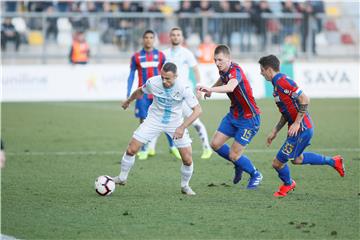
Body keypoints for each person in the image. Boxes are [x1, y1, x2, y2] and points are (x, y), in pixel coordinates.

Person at [258, 54, 345, 197]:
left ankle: (288, 184)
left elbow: (305, 98)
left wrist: (297, 122)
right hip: (298, 128)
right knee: (297, 159)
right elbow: (287, 112)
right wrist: (275, 131)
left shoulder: (282, 82)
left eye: (261, 70)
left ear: (268, 69)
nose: (260, 73)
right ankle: (334, 161)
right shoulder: (276, 85)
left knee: (277, 163)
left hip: (301, 129)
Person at [113, 62, 202, 195]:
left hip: (175, 124)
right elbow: (139, 91)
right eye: (162, 77)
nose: (164, 81)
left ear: (176, 76)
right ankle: (122, 177)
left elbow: (198, 110)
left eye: (168, 78)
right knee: (131, 149)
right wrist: (128, 101)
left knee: (187, 159)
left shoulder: (183, 88)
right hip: (153, 120)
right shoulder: (153, 82)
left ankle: (185, 186)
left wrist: (182, 127)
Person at [197, 45, 263, 189]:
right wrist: (211, 90)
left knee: (234, 154)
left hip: (249, 119)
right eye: (215, 60)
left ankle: (255, 174)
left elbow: (231, 86)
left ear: (229, 59)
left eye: (220, 60)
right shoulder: (223, 70)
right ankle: (238, 163)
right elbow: (222, 79)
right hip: (234, 115)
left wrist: (210, 89)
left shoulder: (236, 71)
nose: (217, 63)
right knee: (215, 144)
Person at [126, 30, 180, 160]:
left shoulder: (160, 55)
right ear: (143, 39)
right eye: (146, 37)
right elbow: (132, 75)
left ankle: (172, 147)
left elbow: (168, 74)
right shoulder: (136, 56)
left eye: (151, 37)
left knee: (165, 120)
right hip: (143, 94)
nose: (149, 40)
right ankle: (144, 149)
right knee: (144, 121)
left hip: (159, 94)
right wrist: (128, 94)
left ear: (154, 39)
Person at [163, 27, 212, 159]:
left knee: (194, 121)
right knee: (166, 121)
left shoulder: (186, 53)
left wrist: (199, 87)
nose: (175, 37)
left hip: (184, 93)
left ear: (182, 37)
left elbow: (196, 70)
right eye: (173, 35)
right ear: (170, 37)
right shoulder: (164, 54)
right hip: (169, 94)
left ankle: (207, 148)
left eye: (178, 35)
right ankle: (169, 148)